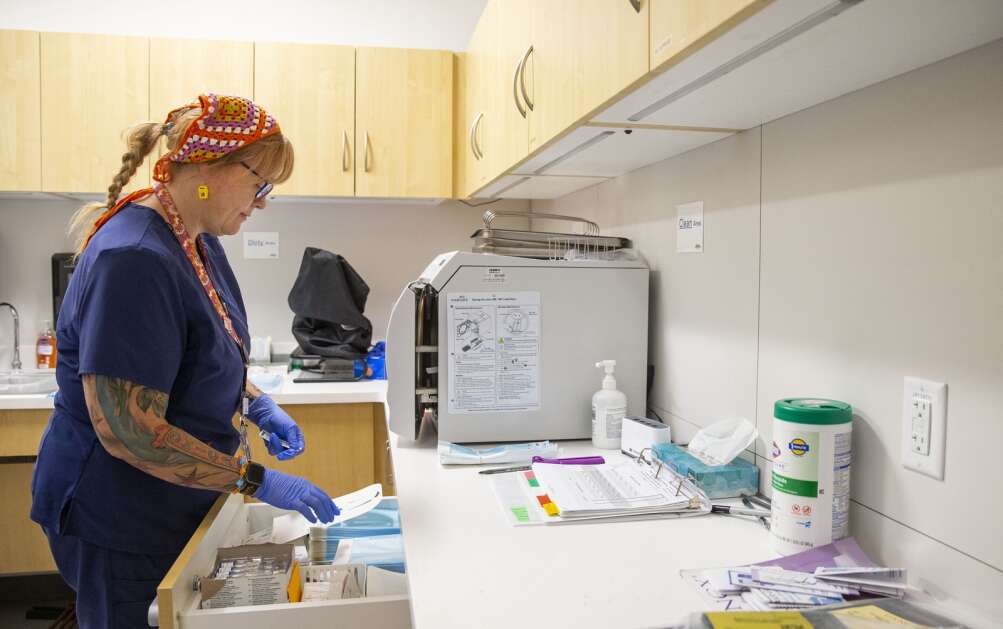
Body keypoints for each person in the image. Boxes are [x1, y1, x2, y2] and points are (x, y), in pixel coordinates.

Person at [30, 94, 339, 628]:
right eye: (258, 183)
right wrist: (253, 480)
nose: (262, 201)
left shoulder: (194, 238)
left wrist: (258, 404)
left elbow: (204, 349)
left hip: (174, 501)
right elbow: (128, 430)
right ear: (207, 167)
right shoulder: (136, 260)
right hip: (119, 514)